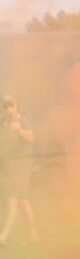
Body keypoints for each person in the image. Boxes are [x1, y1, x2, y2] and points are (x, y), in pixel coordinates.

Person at [0, 97, 38, 246]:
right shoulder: (2, 121)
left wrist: (20, 130)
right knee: (23, 202)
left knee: (12, 201)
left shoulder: (22, 121)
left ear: (17, 107)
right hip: (9, 168)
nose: (8, 109)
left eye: (11, 106)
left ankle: (3, 236)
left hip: (21, 168)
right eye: (5, 107)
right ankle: (34, 234)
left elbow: (32, 138)